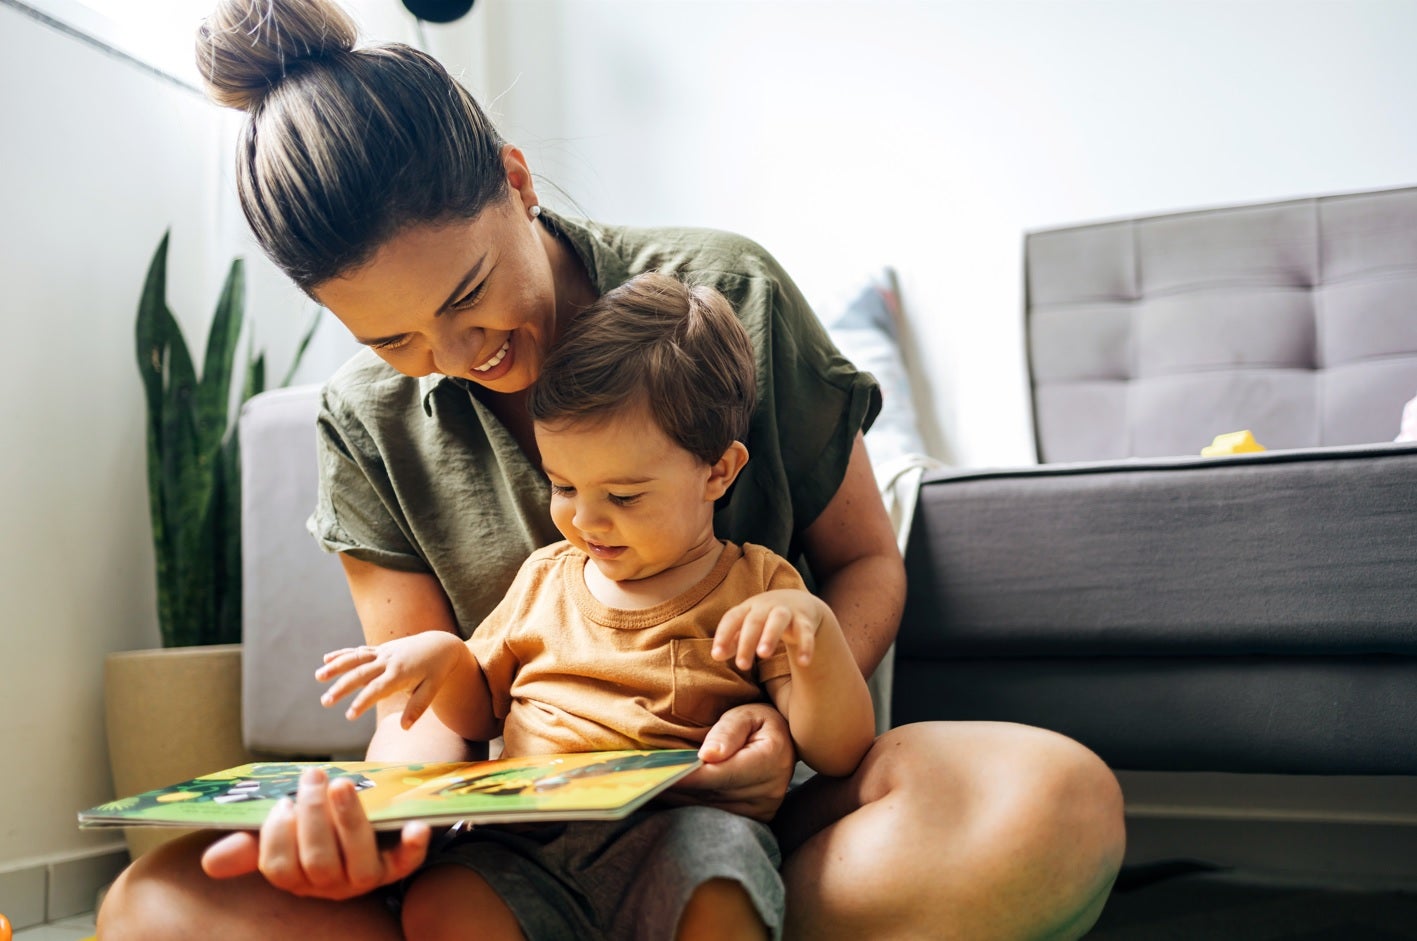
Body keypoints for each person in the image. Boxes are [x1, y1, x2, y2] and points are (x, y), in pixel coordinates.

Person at [98, 0, 1126, 938]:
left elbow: (864, 563)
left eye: (468, 295)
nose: (456, 358)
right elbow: (426, 716)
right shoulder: (365, 422)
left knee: (1053, 801)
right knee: (161, 904)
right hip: (516, 846)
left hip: (746, 814)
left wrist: (786, 710)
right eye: (395, 341)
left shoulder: (725, 292)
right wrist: (375, 826)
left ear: (515, 179)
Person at [314, 271, 876, 940]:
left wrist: (813, 635)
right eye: (563, 485)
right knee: (442, 900)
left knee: (723, 888)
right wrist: (441, 661)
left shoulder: (758, 586)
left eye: (624, 496)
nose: (585, 520)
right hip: (528, 838)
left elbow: (839, 749)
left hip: (681, 832)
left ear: (718, 472)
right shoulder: (544, 578)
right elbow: (481, 709)